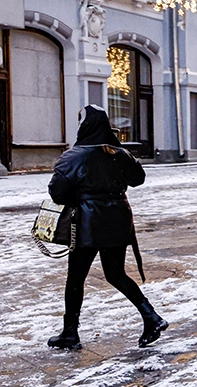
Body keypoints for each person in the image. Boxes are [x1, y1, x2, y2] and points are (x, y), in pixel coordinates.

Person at [46, 105, 168, 350]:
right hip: (118, 221)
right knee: (115, 273)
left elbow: (57, 193)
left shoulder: (73, 156)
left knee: (76, 278)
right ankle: (151, 316)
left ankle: (70, 332)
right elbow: (138, 180)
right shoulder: (120, 154)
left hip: (87, 225)